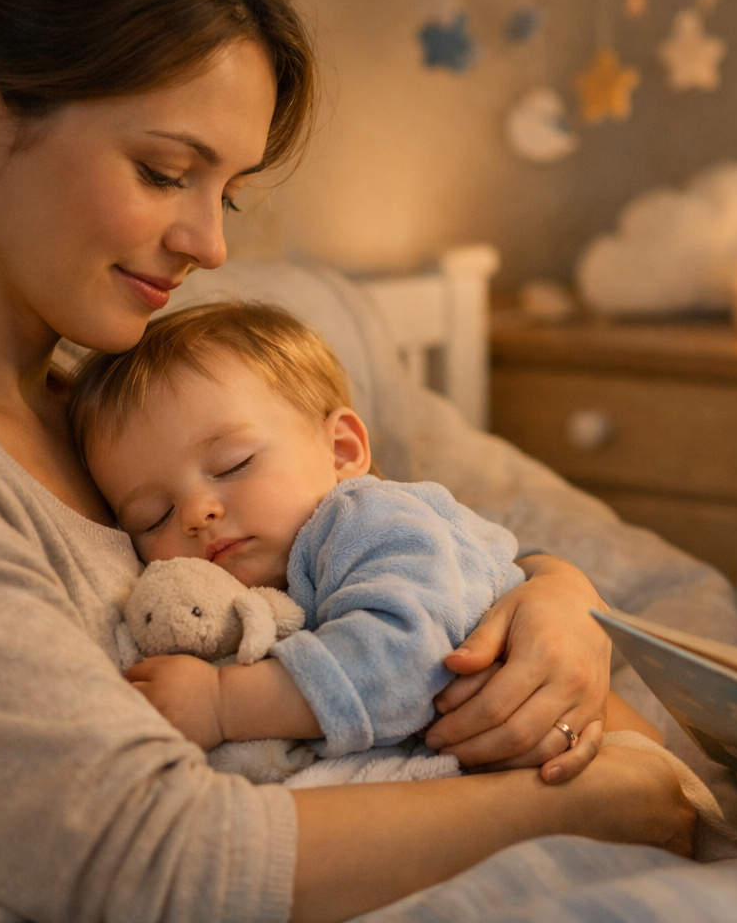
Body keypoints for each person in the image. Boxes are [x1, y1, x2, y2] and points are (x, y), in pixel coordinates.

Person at [0, 0, 695, 921]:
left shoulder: (114, 395)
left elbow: (388, 532)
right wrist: (584, 805)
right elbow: (151, 862)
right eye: (164, 172)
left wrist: (557, 594)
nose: (210, 246)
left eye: (226, 194)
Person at [71, 299, 530, 762]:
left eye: (232, 464)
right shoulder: (250, 592)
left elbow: (406, 660)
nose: (195, 513)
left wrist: (223, 701)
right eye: (153, 516)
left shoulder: (369, 519)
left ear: (341, 451)